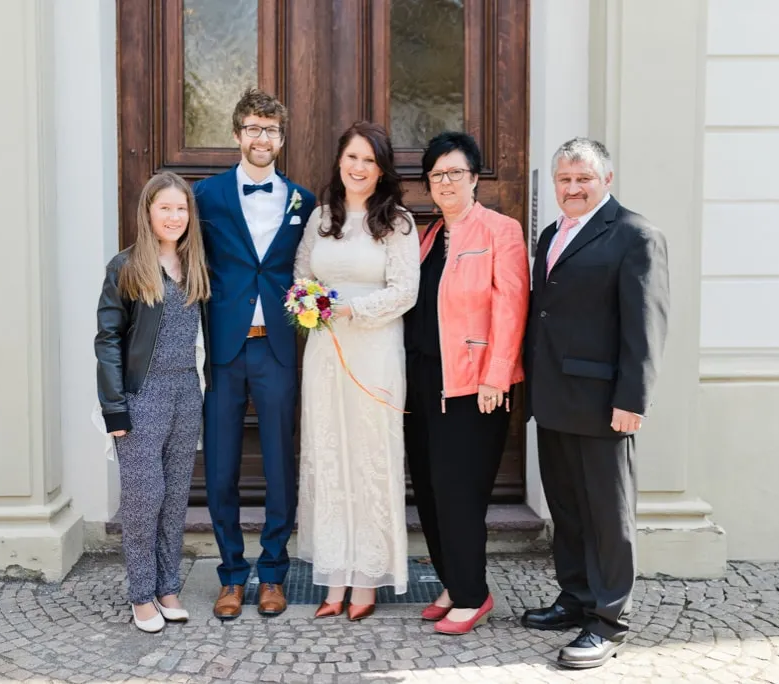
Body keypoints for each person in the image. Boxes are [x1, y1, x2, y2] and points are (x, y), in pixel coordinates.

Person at [522, 137, 669, 669]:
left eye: (584, 178)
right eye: (565, 179)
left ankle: (607, 621)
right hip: (555, 396)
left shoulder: (635, 235)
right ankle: (576, 597)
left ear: (607, 180)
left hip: (605, 401)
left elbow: (645, 326)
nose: (573, 187)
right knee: (568, 508)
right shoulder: (550, 234)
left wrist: (633, 399)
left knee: (609, 515)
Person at [193, 88, 316, 620]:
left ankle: (272, 573)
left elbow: (308, 271)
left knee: (278, 465)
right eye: (253, 128)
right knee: (219, 468)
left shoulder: (303, 201)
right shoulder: (208, 197)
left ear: (281, 139)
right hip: (224, 349)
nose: (261, 138)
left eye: (271, 130)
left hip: (278, 352)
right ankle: (230, 575)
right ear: (238, 133)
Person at [404, 131, 529, 635]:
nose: (446, 181)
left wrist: (496, 376)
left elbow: (511, 306)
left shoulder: (502, 230)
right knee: (431, 490)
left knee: (460, 491)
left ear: (475, 178)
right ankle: (454, 581)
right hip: (423, 382)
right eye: (437, 174)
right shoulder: (427, 236)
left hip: (475, 386)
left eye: (456, 172)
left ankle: (474, 595)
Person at [293, 122, 419, 621]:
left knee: (369, 454)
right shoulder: (321, 219)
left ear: (382, 168)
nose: (359, 167)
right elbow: (302, 275)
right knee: (329, 452)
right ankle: (334, 575)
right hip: (325, 351)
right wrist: (310, 303)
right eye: (352, 157)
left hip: (375, 350)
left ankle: (366, 578)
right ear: (339, 162)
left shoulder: (398, 223)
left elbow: (404, 291)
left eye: (369, 159)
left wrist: (352, 310)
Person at [94, 172, 212, 633]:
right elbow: (107, 339)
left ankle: (167, 586)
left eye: (181, 208)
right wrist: (114, 407)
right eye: (165, 207)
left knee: (175, 498)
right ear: (148, 212)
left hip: (187, 392)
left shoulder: (195, 264)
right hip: (142, 395)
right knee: (145, 498)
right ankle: (141, 595)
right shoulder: (125, 267)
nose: (174, 216)